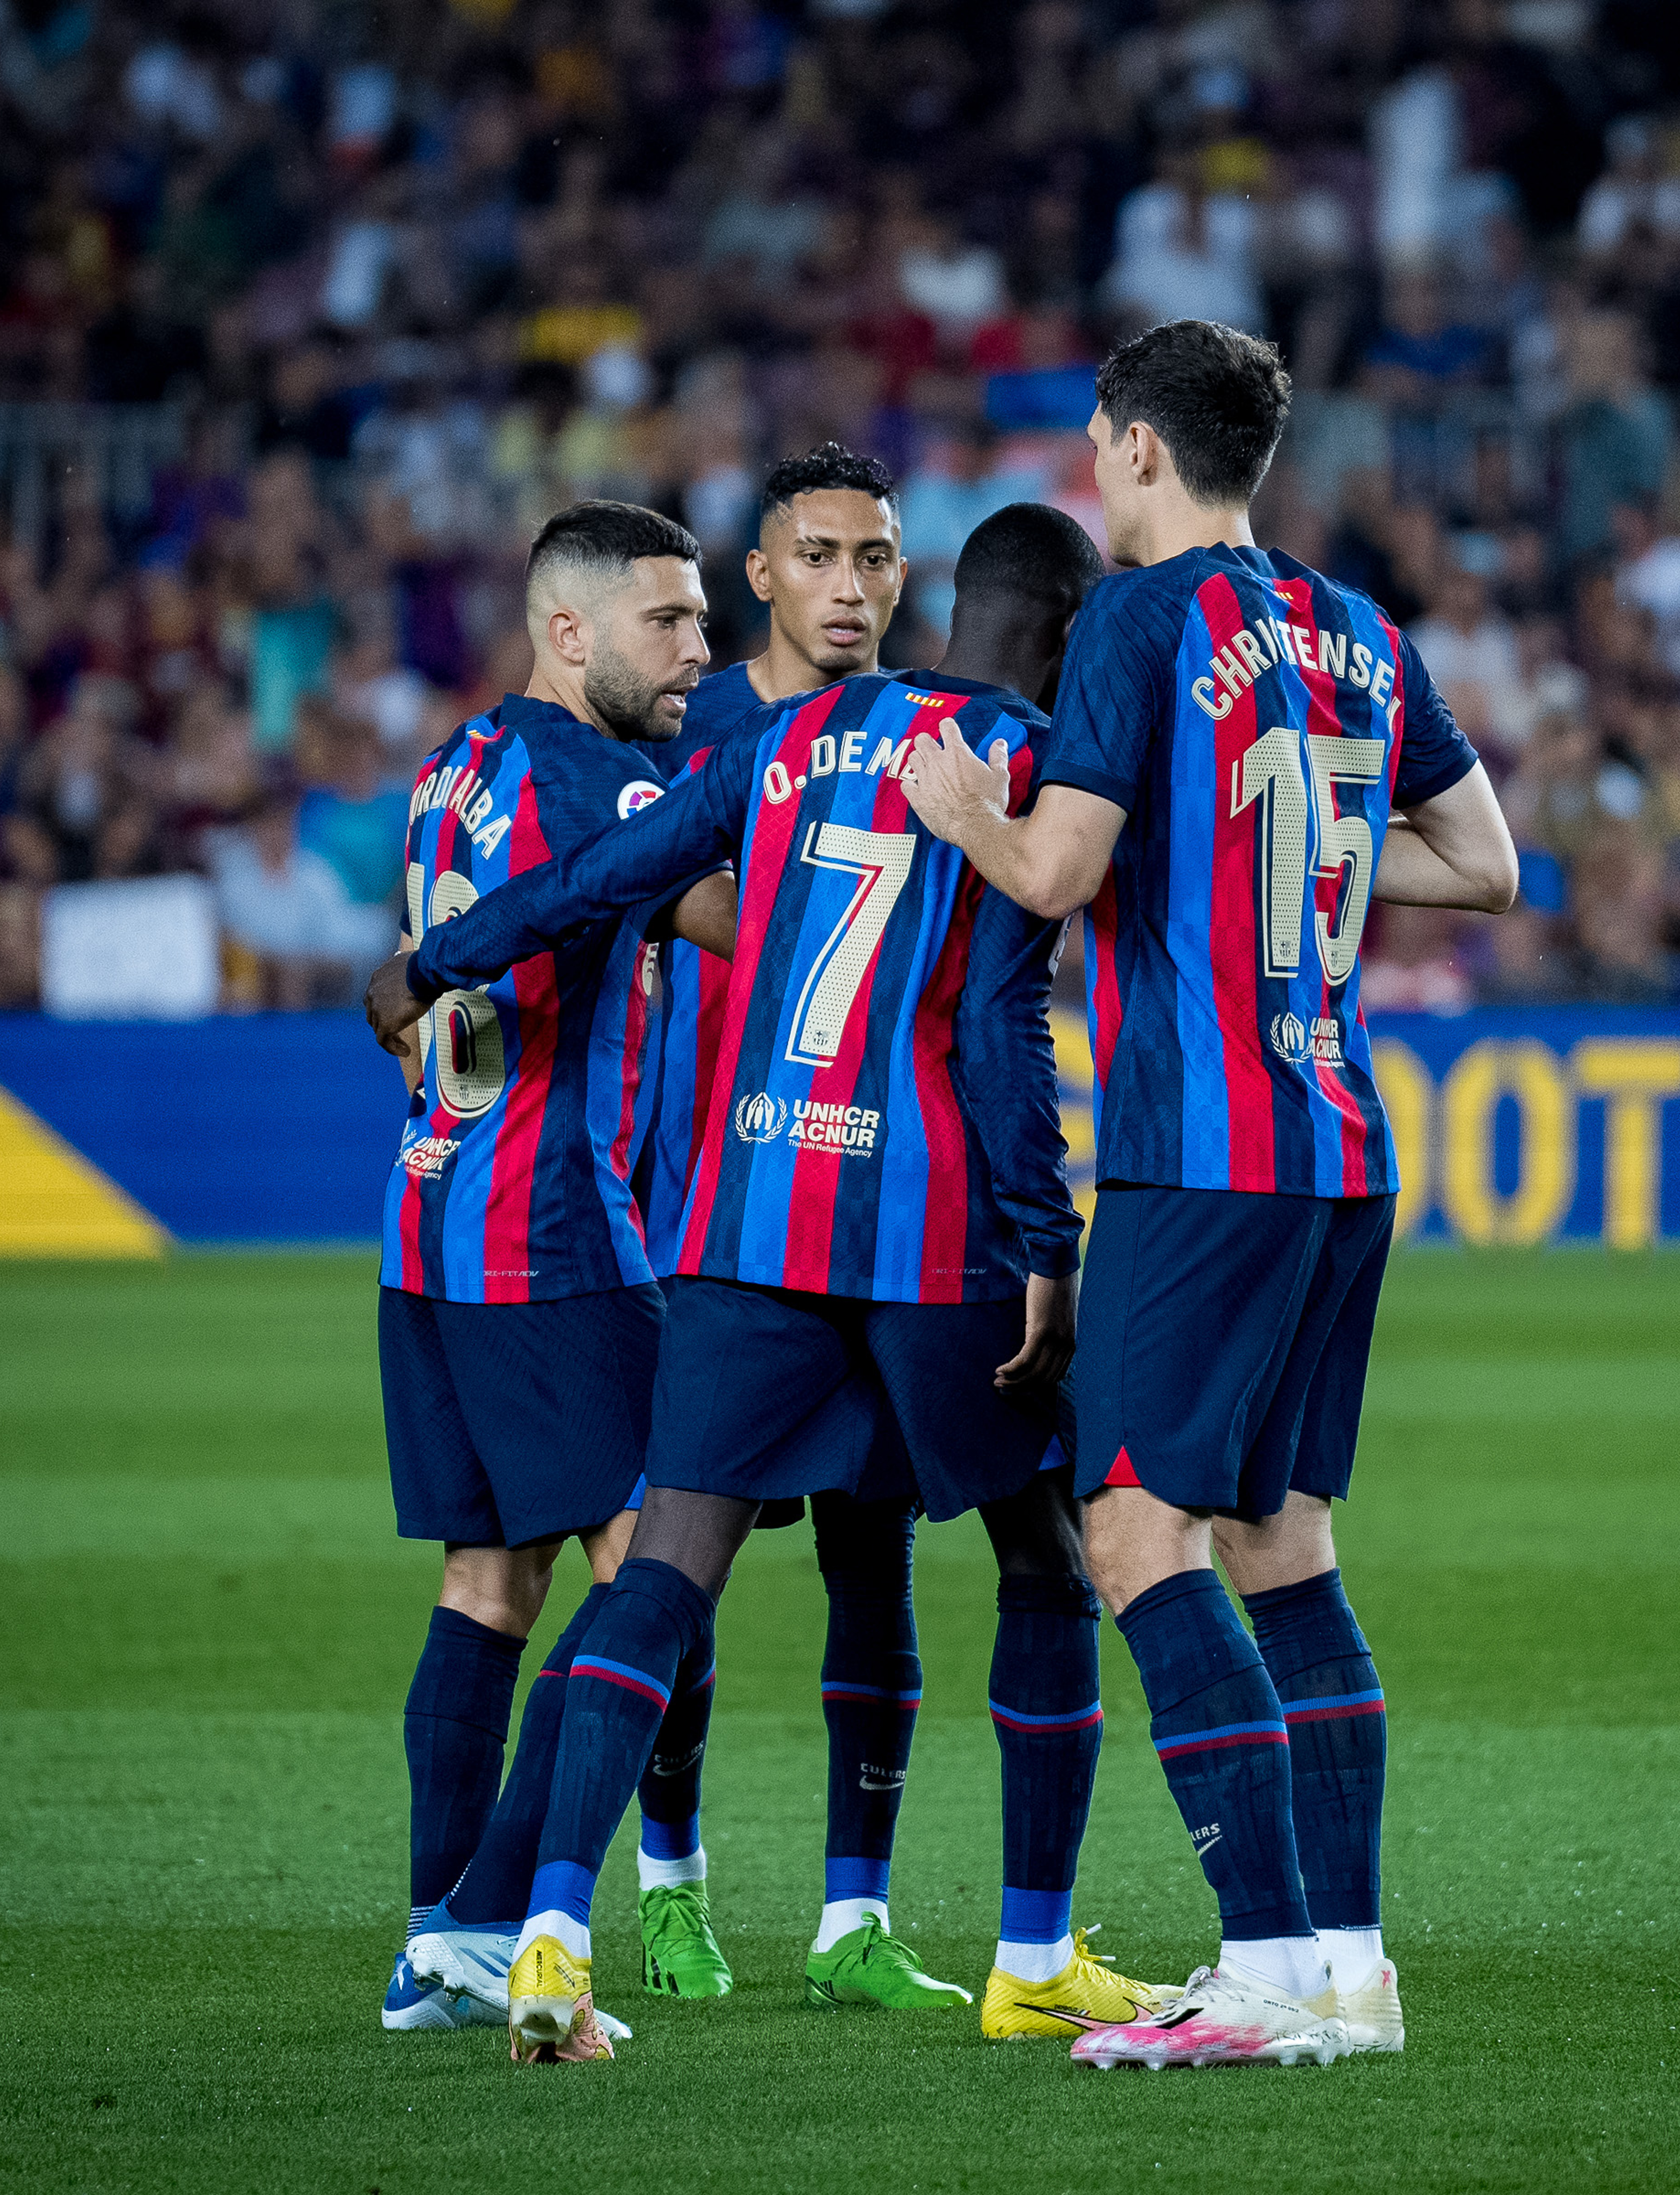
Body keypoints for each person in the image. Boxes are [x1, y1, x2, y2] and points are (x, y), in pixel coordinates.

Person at [369, 503, 1171, 2063]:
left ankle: (541, 1929)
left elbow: (606, 872)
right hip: (922, 1233)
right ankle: (1030, 1950)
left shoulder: (796, 737)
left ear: (926, 592)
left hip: (743, 1224)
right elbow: (1004, 1029)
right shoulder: (1013, 768)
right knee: (1041, 1564)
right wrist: (1044, 1245)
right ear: (1072, 639)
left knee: (659, 1568)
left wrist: (439, 958)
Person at [905, 319, 1518, 2070]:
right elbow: (1484, 864)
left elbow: (1056, 864)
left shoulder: (1132, 618)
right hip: (1339, 1145)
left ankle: (1252, 1968)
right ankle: (1346, 1967)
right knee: (1284, 1541)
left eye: (1101, 441)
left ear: (1137, 451)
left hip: (1201, 1149)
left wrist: (962, 808)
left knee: (1129, 1530)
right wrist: (1300, 852)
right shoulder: (1359, 630)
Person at [374, 500, 742, 2030]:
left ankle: (433, 1943)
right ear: (568, 629)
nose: (697, 647)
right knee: (654, 1574)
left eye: (703, 618)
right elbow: (734, 917)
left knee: (488, 1580)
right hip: (556, 1230)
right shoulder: (606, 779)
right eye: (667, 621)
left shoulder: (450, 764)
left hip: (424, 1219)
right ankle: (498, 1914)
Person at [636, 443, 967, 2008]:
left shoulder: (936, 735)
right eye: (819, 555)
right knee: (668, 1561)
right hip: (700, 1205)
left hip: (872, 1213)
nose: (851, 584)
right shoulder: (699, 727)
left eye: (877, 556)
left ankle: (854, 1921)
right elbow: (624, 885)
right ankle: (668, 1881)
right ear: (757, 575)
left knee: (871, 1556)